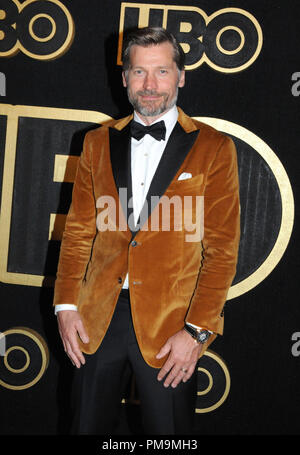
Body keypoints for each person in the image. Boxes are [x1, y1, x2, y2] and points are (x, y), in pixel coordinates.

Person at [53, 27, 240, 435]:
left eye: (161, 72)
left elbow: (222, 251)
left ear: (181, 75)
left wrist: (196, 331)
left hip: (172, 327)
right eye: (139, 73)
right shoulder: (95, 142)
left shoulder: (214, 147)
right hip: (96, 322)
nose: (150, 85)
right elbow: (80, 232)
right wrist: (66, 307)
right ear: (124, 78)